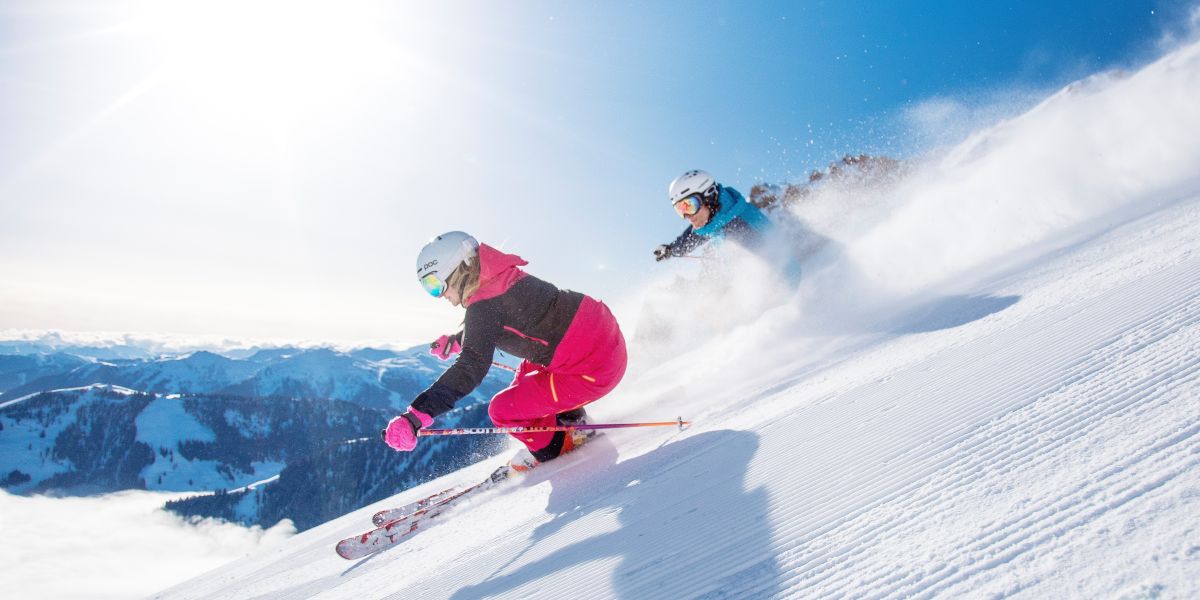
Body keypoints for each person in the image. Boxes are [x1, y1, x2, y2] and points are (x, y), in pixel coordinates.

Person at [382, 231, 628, 470]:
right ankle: (571, 420)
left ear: (459, 271)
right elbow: (510, 318)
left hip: (595, 368)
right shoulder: (502, 277)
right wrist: (458, 341)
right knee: (523, 377)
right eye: (429, 288)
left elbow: (471, 366)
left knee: (503, 411)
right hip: (602, 337)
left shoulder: (484, 308)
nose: (439, 294)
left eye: (435, 284)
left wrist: (416, 416)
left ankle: (559, 445)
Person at [653, 169, 772, 262]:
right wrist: (671, 249)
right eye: (680, 209)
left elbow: (775, 258)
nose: (687, 215)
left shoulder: (740, 225)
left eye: (689, 205)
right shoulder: (715, 220)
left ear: (709, 196)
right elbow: (692, 236)